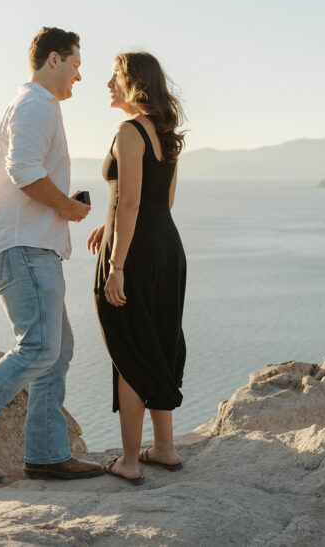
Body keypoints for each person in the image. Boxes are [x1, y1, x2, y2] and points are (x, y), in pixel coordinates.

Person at [0, 27, 102, 484]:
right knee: (40, 347)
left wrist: (64, 208)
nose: (79, 76)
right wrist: (68, 207)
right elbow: (23, 170)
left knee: (57, 350)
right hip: (21, 245)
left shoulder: (36, 106)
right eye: (75, 65)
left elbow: (26, 171)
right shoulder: (34, 105)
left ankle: (46, 453)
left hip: (27, 244)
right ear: (52, 60)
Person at [87, 52, 187, 485]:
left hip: (135, 251)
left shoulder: (128, 131)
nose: (108, 83)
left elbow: (129, 201)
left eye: (116, 77)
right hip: (166, 245)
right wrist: (107, 223)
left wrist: (116, 263)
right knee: (158, 341)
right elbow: (159, 203)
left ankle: (129, 460)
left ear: (135, 84)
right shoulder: (165, 133)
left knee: (129, 348)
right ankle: (164, 448)